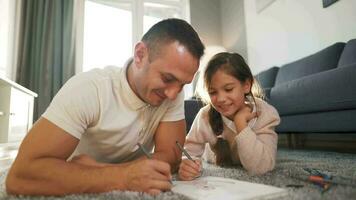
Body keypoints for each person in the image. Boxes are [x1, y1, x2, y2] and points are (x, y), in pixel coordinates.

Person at [6, 18, 205, 196]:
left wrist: (100, 169)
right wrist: (122, 177)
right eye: (167, 78)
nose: (173, 93)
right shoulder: (89, 89)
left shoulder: (172, 92)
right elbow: (21, 175)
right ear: (140, 54)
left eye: (182, 85)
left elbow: (171, 157)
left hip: (83, 170)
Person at [178, 52, 280, 181]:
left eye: (228, 89)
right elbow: (188, 152)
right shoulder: (205, 116)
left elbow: (261, 167)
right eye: (213, 92)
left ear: (246, 85)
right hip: (210, 155)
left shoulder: (265, 114)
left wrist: (240, 124)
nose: (220, 99)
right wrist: (187, 164)